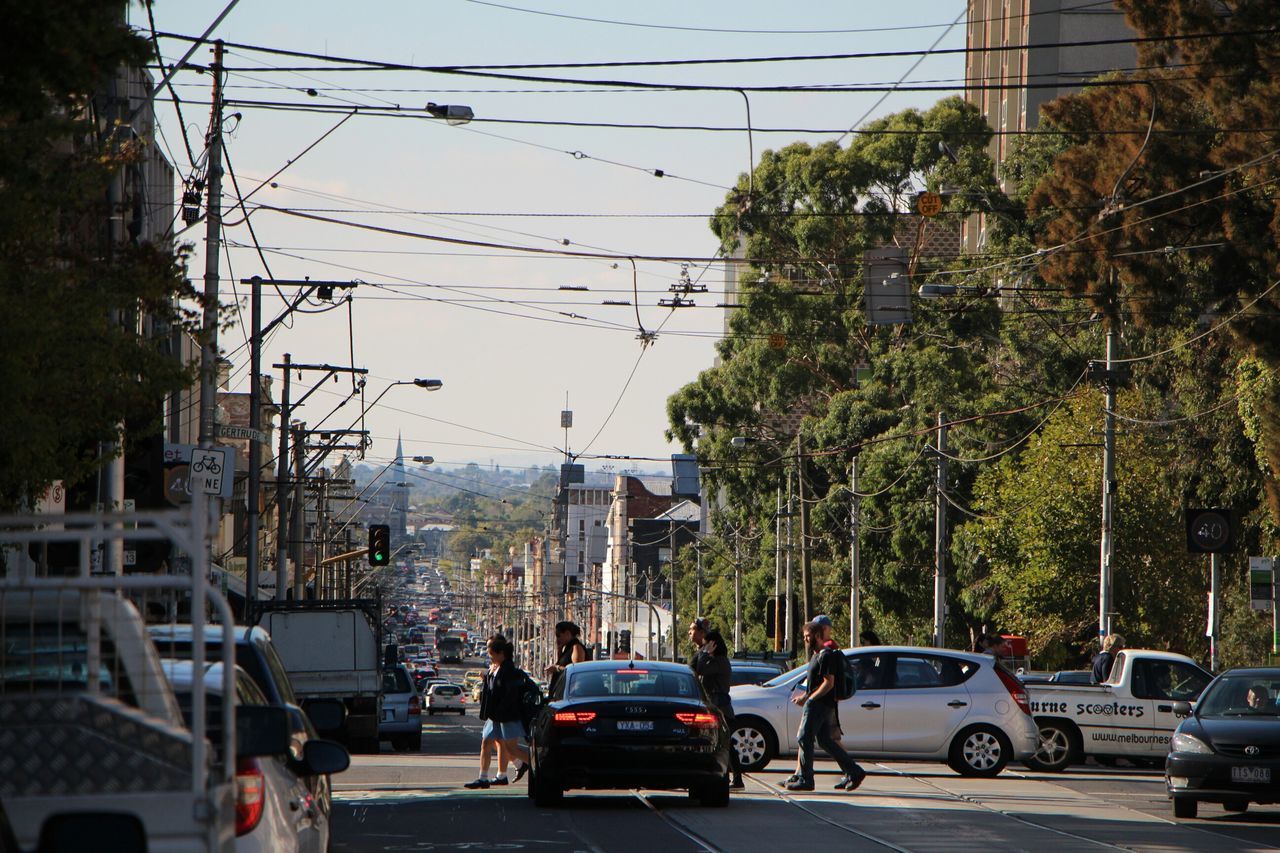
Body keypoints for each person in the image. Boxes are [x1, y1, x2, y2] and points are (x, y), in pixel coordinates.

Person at [785, 615, 866, 792]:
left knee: (804, 737)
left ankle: (807, 779)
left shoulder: (826, 655)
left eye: (808, 636)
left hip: (820, 704)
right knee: (824, 741)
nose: (806, 639)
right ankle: (854, 771)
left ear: (818, 636)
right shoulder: (816, 656)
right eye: (805, 636)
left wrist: (810, 699)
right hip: (819, 703)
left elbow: (829, 682)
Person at [464, 635, 530, 789]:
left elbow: (507, 695)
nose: (490, 658)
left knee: (510, 748)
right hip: (495, 716)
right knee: (486, 742)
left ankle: (537, 764)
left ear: (501, 654)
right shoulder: (496, 668)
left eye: (492, 654)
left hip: (507, 716)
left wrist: (490, 678)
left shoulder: (508, 670)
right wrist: (487, 677)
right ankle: (483, 778)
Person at [687, 618, 744, 790]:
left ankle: (735, 778)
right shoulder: (713, 660)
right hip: (715, 707)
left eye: (706, 645)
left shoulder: (720, 662)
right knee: (723, 744)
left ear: (713, 645)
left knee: (724, 744)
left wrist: (703, 653)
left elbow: (702, 669)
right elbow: (693, 667)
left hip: (722, 709)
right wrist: (702, 652)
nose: (703, 648)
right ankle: (733, 778)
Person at [545, 621, 587, 693]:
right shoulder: (567, 648)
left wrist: (556, 668)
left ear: (567, 633)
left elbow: (576, 671)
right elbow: (561, 664)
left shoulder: (576, 647)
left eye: (558, 635)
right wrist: (559, 649)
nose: (557, 639)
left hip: (572, 692)